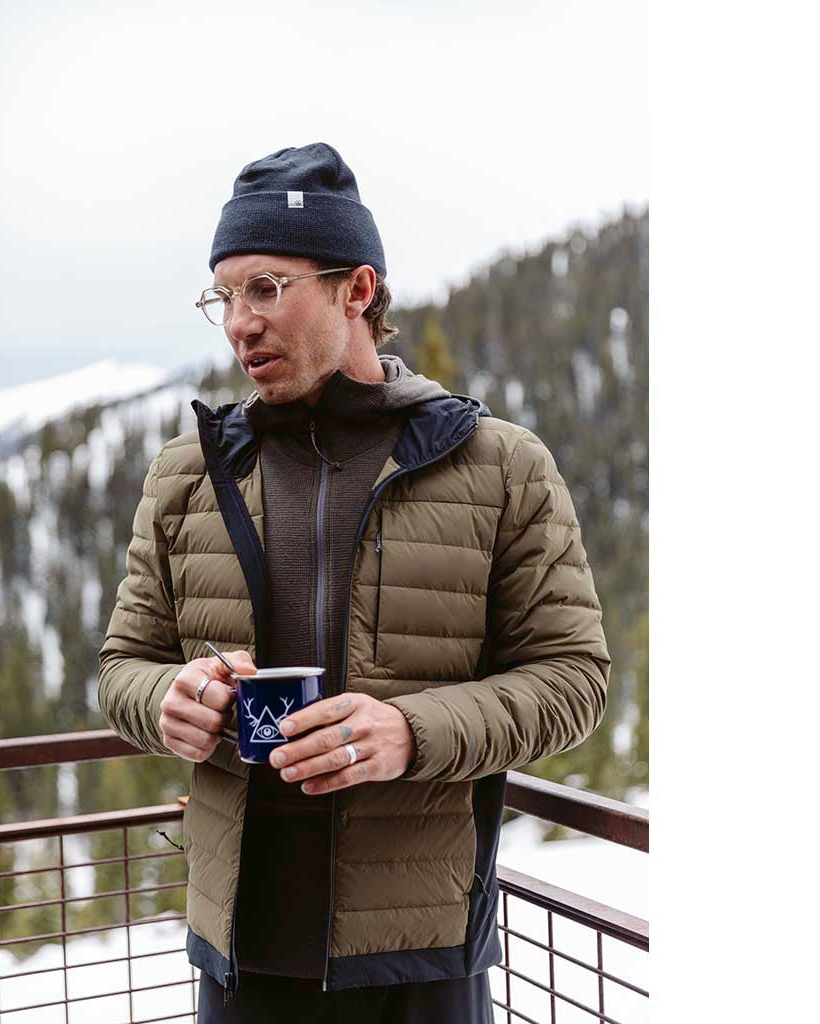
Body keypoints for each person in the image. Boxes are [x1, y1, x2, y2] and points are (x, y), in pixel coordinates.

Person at [98, 142, 610, 1023]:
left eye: (266, 288)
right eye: (224, 296)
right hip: (241, 958)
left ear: (358, 290)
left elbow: (574, 680)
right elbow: (122, 666)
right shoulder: (188, 473)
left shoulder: (501, 466)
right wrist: (164, 701)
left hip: (421, 959)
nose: (239, 323)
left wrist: (409, 732)